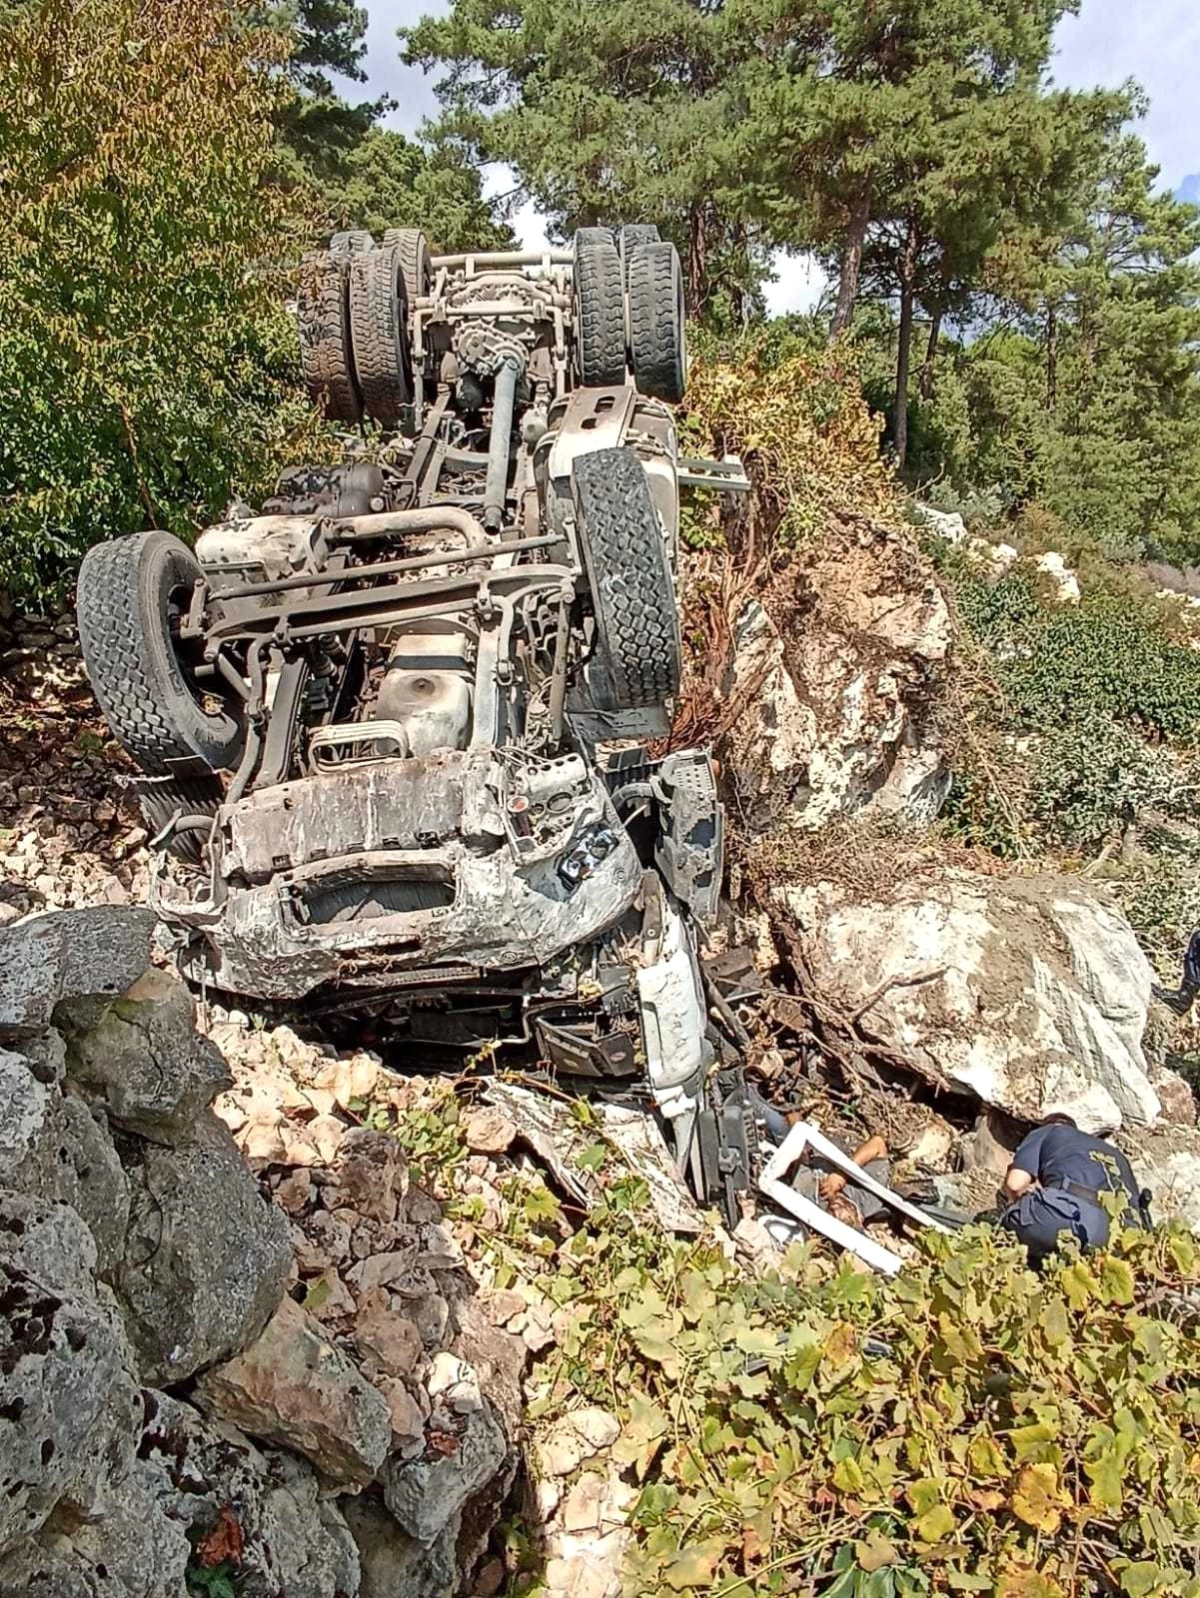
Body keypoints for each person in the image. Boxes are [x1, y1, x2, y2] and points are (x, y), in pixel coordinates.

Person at [1000, 1112, 1148, 1264]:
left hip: (1071, 1219)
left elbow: (1015, 1184)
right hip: (1122, 1237)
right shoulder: (1117, 1154)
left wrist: (1012, 1203)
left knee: (1008, 1222)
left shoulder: (1047, 1132)